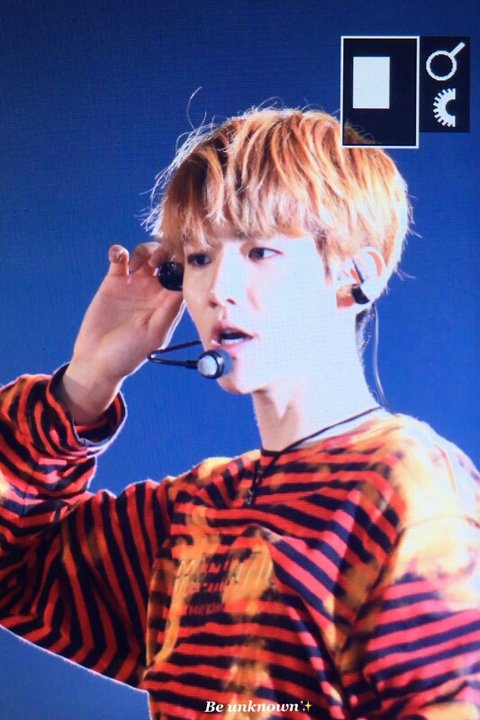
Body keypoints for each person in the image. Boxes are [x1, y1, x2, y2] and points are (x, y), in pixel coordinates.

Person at [0, 108, 479, 720]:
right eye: (199, 258)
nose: (217, 289)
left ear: (356, 276)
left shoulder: (409, 492)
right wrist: (87, 381)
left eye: (260, 251)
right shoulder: (196, 512)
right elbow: (14, 571)